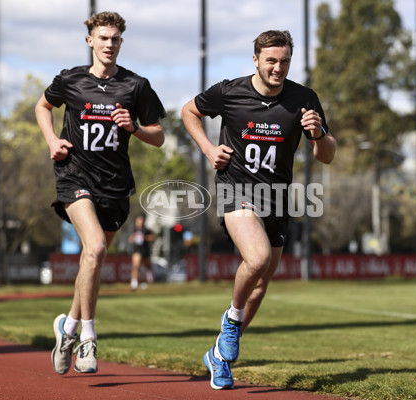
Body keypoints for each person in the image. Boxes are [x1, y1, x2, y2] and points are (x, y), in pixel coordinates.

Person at [181, 30, 336, 390]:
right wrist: (207, 149)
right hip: (236, 189)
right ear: (255, 60)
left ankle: (219, 355)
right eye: (271, 60)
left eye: (284, 61)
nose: (277, 68)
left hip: (278, 198)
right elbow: (189, 112)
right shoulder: (229, 91)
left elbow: (327, 155)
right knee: (258, 257)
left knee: (261, 283)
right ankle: (231, 323)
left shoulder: (304, 98)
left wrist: (318, 135)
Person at [35, 11, 166, 375]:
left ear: (121, 42)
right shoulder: (71, 79)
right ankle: (89, 339)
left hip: (115, 185)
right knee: (94, 248)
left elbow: (159, 136)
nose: (110, 45)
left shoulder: (136, 86)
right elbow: (42, 106)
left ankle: (68, 326)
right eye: (103, 38)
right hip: (74, 177)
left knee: (91, 261)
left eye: (116, 39)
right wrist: (52, 140)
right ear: (90, 40)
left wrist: (135, 129)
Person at [127, 214, 155, 291]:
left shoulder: (146, 230)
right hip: (137, 250)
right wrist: (132, 238)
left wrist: (145, 237)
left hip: (145, 250)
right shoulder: (133, 230)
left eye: (141, 220)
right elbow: (130, 240)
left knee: (147, 265)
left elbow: (152, 237)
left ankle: (149, 275)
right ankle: (134, 284)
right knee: (136, 266)